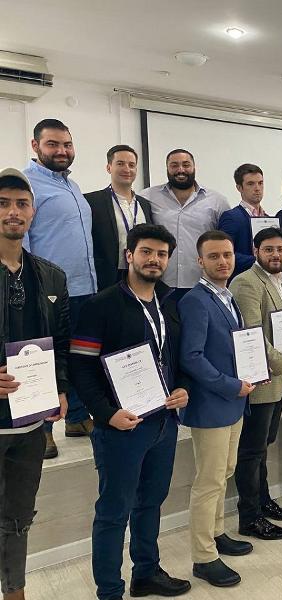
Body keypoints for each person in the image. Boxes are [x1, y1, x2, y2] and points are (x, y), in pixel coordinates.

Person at [69, 223, 191, 600]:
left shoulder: (169, 303)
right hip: (121, 427)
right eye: (146, 252)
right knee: (113, 512)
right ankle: (110, 591)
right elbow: (80, 367)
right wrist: (106, 414)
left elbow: (175, 358)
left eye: (161, 254)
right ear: (129, 255)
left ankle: (146, 573)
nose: (154, 259)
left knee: (150, 502)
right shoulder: (101, 305)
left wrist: (183, 387)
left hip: (163, 422)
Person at [0, 168, 68, 600]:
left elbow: (60, 341)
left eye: (22, 204)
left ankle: (15, 591)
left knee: (19, 516)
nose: (13, 212)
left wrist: (60, 387)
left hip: (30, 422)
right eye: (3, 203)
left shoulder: (51, 276)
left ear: (33, 212)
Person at [178, 231, 255, 587]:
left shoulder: (227, 295)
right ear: (200, 261)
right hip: (212, 403)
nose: (223, 261)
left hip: (234, 401)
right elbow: (191, 357)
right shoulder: (195, 300)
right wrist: (230, 385)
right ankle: (204, 556)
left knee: (225, 471)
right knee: (208, 481)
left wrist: (250, 376)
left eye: (227, 255)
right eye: (214, 256)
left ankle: (217, 532)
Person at [24, 118, 95, 455]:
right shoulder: (28, 185)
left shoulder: (73, 185)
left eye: (67, 144)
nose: (61, 151)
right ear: (35, 145)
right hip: (45, 290)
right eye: (52, 144)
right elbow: (21, 239)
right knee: (45, 359)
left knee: (76, 357)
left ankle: (77, 417)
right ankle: (42, 430)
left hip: (82, 288)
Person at [230, 227, 282, 540]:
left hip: (279, 377)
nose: (275, 255)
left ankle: (264, 501)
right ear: (256, 251)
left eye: (280, 249)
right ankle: (250, 517)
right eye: (268, 249)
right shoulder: (246, 282)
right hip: (262, 377)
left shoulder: (281, 282)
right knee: (251, 450)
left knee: (263, 446)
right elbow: (251, 333)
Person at [141, 149, 229, 302]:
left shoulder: (217, 201)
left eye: (186, 165)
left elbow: (225, 243)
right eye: (174, 165)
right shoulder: (147, 197)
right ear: (167, 168)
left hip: (203, 284)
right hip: (160, 284)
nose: (180, 170)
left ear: (194, 167)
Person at [85, 145, 154, 292]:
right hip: (107, 278)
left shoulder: (145, 204)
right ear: (109, 167)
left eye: (131, 165)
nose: (127, 169)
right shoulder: (92, 201)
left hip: (140, 274)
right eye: (120, 163)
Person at [218, 163, 269, 279]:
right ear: (239, 188)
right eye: (251, 184)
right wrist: (259, 260)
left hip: (266, 279)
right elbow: (225, 253)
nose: (257, 188)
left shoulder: (268, 218)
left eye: (260, 183)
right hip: (242, 279)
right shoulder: (231, 217)